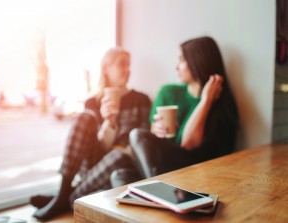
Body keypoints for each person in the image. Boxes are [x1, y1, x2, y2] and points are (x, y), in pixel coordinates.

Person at [31, 47, 152, 220]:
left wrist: (123, 149)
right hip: (95, 161)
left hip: (123, 159)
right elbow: (97, 147)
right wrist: (109, 122)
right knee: (84, 118)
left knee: (118, 155)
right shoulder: (93, 101)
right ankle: (64, 190)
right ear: (106, 68)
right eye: (121, 65)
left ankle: (63, 200)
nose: (127, 70)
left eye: (129, 65)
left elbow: (142, 140)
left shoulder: (141, 100)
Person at [130, 36, 239, 179]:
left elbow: (188, 144)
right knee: (120, 174)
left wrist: (205, 102)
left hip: (197, 173)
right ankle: (154, 191)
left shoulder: (220, 104)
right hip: (168, 169)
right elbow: (153, 141)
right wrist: (156, 131)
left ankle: (154, 190)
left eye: (181, 60)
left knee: (137, 134)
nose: (176, 67)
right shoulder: (169, 92)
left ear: (198, 61)